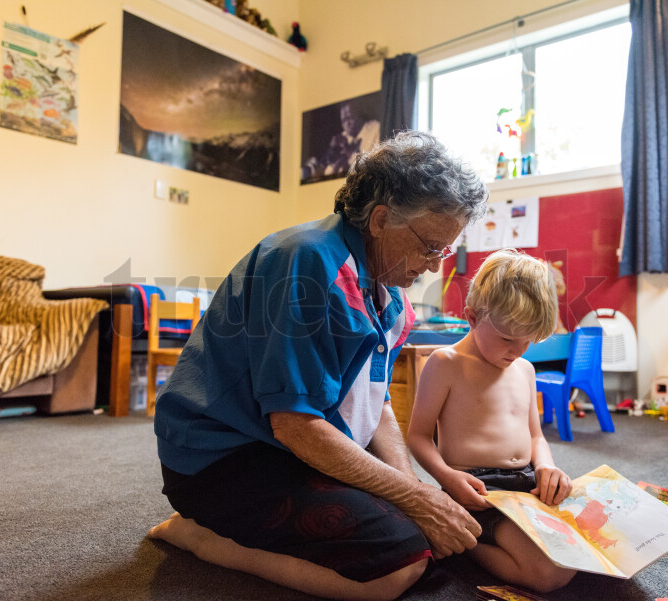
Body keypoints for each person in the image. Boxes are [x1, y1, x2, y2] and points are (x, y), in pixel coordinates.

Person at [148, 131, 490, 601]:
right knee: (398, 566)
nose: (433, 267)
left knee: (428, 528)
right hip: (222, 459)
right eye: (430, 247)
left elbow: (377, 402)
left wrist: (413, 491)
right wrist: (417, 501)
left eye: (443, 251)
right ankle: (200, 537)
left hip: (292, 445)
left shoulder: (390, 293)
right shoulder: (306, 261)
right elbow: (296, 426)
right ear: (381, 219)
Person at [407, 249, 577, 593]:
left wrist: (546, 467)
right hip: (477, 490)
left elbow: (535, 437)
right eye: (507, 339)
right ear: (471, 317)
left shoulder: (525, 369)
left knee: (592, 548)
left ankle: (461, 535)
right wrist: (448, 478)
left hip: (528, 484)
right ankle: (458, 539)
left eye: (529, 340)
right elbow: (418, 436)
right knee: (549, 574)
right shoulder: (445, 363)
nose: (518, 350)